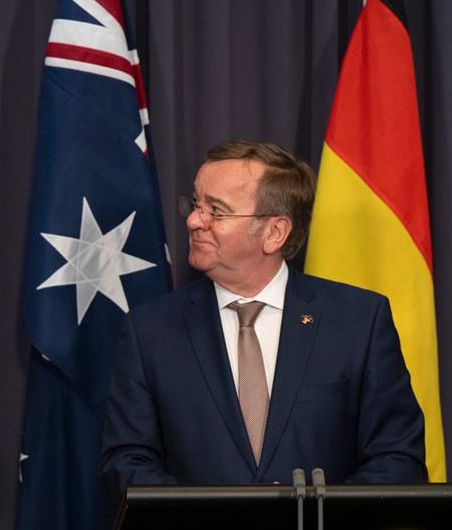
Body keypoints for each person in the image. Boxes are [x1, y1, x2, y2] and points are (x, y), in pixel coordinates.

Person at [101, 140, 426, 501]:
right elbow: (126, 464)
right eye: (196, 204)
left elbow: (398, 460)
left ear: (274, 233)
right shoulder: (150, 331)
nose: (194, 221)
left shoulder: (359, 321)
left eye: (217, 211)